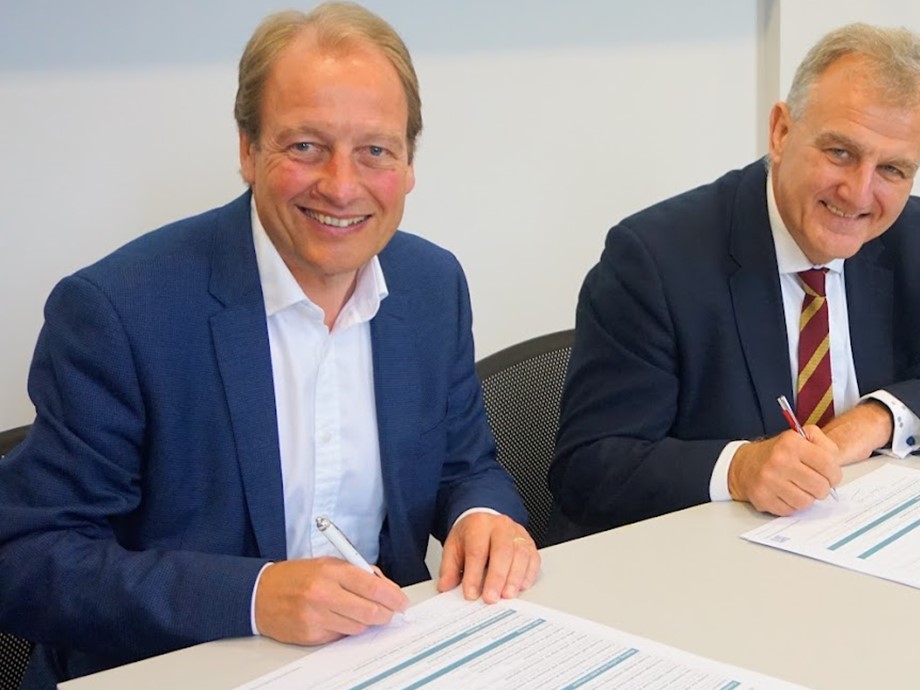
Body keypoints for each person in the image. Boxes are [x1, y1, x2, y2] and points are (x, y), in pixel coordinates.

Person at [0, 3, 539, 686]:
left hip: (380, 659)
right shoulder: (119, 311)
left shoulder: (431, 285)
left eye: (375, 150)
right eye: (306, 146)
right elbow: (26, 554)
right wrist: (252, 598)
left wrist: (484, 515)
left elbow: (465, 465)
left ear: (407, 166)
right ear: (248, 150)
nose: (342, 185)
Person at [551, 23, 920, 533]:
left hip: (864, 538)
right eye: (840, 152)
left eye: (892, 171)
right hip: (706, 563)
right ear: (781, 132)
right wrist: (740, 469)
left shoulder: (917, 239)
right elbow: (589, 468)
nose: (858, 194)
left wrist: (877, 418)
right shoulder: (655, 259)